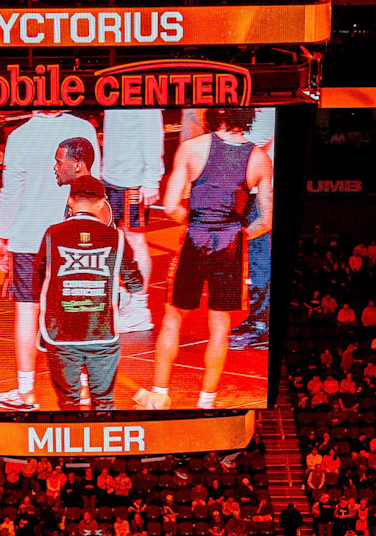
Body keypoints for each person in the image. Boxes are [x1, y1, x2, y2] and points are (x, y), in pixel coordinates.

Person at [136, 107, 273, 412]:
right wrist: (238, 234)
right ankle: (206, 401)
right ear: (249, 118)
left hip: (195, 238)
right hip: (231, 244)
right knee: (220, 325)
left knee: (173, 319)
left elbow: (171, 205)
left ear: (215, 115)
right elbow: (266, 221)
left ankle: (159, 395)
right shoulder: (260, 160)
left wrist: (195, 222)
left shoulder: (191, 149)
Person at [0, 109, 105, 411]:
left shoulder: (18, 137)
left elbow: (10, 192)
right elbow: (94, 186)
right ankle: (81, 388)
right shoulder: (85, 129)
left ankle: (25, 392)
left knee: (26, 311)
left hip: (28, 238)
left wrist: (1, 238)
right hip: (72, 237)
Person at [31, 167, 148, 414]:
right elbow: (136, 283)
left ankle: (72, 449)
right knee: (104, 402)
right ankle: (105, 448)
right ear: (101, 203)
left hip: (60, 334)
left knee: (68, 403)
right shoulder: (115, 237)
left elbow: (38, 280)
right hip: (102, 332)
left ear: (70, 200)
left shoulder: (53, 234)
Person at [99, 106, 165, 332]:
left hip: (132, 183)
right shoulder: (114, 90)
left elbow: (154, 138)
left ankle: (140, 307)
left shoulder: (144, 97)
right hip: (110, 178)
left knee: (135, 240)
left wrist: (152, 181)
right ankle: (128, 295)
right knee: (116, 240)